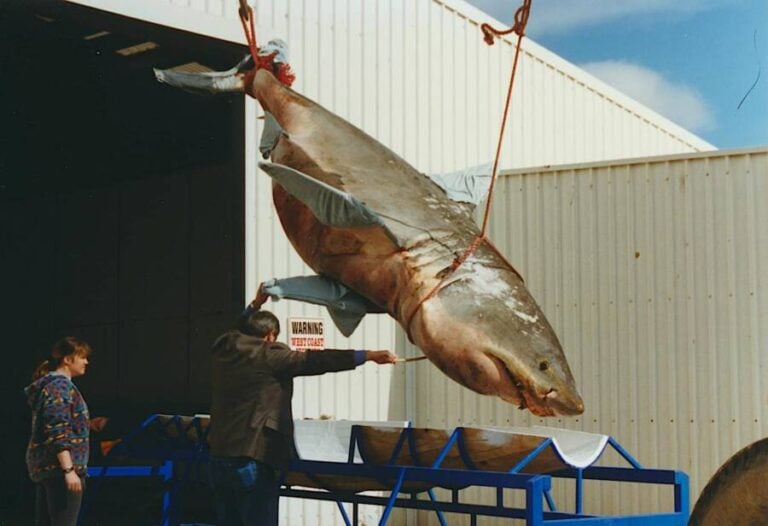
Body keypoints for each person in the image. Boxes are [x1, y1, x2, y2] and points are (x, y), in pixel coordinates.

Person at [208, 288, 397, 526]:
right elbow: (316, 359)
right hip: (253, 457)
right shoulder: (270, 355)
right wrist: (367, 355)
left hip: (219, 456)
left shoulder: (223, 348)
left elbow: (236, 329)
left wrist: (255, 305)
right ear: (270, 336)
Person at [25, 337, 107, 526]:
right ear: (68, 359)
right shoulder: (60, 386)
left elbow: (57, 421)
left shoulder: (53, 386)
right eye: (82, 357)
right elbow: (57, 428)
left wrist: (87, 423)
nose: (86, 362)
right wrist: (69, 470)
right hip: (60, 469)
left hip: (50, 468)